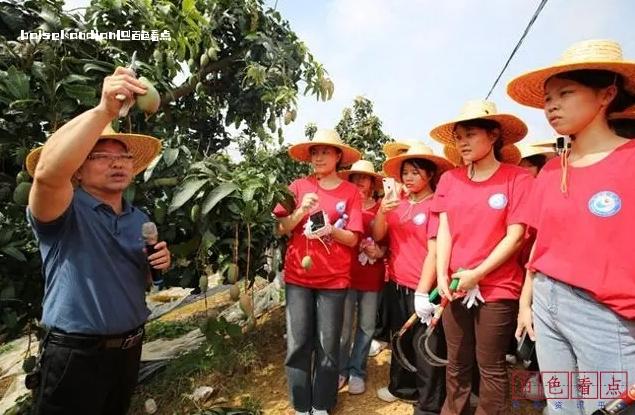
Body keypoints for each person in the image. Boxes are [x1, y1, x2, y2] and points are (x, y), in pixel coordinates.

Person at [25, 66, 170, 415]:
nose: (117, 164)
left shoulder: (140, 219)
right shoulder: (64, 209)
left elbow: (137, 280)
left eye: (123, 157)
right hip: (75, 356)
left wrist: (157, 266)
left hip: (129, 351)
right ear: (78, 167)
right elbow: (46, 175)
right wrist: (105, 110)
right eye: (102, 156)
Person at [508, 39, 635, 415]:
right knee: (562, 405)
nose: (552, 105)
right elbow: (541, 245)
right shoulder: (551, 171)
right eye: (548, 98)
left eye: (565, 93)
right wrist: (526, 300)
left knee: (606, 407)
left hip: (606, 316)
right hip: (547, 303)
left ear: (606, 94)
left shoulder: (630, 163)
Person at [429, 100, 532, 415]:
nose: (462, 142)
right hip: (456, 284)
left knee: (490, 366)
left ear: (494, 135)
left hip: (498, 286)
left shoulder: (517, 178)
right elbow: (444, 229)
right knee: (457, 362)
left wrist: (478, 273)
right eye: (458, 136)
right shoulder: (450, 180)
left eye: (470, 134)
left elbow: (515, 236)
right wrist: (442, 275)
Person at [273, 129, 363, 415]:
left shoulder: (350, 192)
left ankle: (321, 405)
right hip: (299, 277)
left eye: (325, 151)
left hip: (334, 280)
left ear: (338, 156)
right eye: (315, 152)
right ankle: (301, 406)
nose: (319, 157)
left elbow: (353, 238)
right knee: (298, 343)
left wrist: (331, 230)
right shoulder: (297, 187)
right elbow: (280, 227)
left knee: (328, 344)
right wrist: (300, 211)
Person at [372, 143, 453, 414]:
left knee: (424, 344)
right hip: (396, 283)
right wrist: (383, 210)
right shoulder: (399, 203)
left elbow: (434, 252)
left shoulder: (435, 206)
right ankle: (402, 388)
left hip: (424, 287)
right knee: (400, 339)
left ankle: (429, 403)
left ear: (430, 174)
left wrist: (422, 292)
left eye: (415, 172)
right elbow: (378, 234)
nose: (408, 177)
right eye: (405, 172)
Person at [337, 160, 386, 395]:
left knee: (366, 326)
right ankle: (341, 369)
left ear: (373, 183)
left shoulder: (381, 209)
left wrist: (381, 252)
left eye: (364, 178)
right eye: (355, 177)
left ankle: (357, 370)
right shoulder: (343, 205)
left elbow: (389, 242)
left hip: (371, 276)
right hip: (345, 274)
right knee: (344, 327)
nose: (360, 182)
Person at [368, 140, 413, 358]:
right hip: (394, 270)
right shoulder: (389, 199)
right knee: (394, 314)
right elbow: (381, 234)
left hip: (414, 273)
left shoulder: (423, 198)